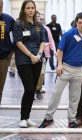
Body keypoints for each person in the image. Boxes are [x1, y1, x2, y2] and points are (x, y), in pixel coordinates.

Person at [38, 12, 82, 128]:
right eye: (80, 22)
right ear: (76, 23)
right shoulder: (68, 34)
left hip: (79, 70)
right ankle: (48, 118)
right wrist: (59, 65)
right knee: (56, 93)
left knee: (75, 98)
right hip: (65, 68)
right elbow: (60, 51)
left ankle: (71, 120)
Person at [13, 0, 45, 128]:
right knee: (29, 88)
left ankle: (27, 117)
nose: (31, 10)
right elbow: (18, 42)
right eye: (28, 8)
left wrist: (39, 55)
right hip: (24, 60)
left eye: (32, 8)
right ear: (24, 10)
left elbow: (43, 41)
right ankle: (22, 118)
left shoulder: (38, 25)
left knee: (32, 91)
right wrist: (31, 55)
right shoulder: (18, 24)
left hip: (37, 60)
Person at [35, 11, 56, 99]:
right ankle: (31, 90)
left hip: (44, 54)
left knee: (41, 73)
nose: (39, 20)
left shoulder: (46, 29)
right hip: (32, 54)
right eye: (37, 18)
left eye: (40, 18)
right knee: (33, 73)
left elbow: (50, 40)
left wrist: (54, 50)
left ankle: (38, 90)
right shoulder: (28, 28)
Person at [0, 0, 15, 104]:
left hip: (3, 58)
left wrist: (11, 52)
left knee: (0, 86)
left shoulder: (9, 19)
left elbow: (17, 37)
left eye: (0, 6)